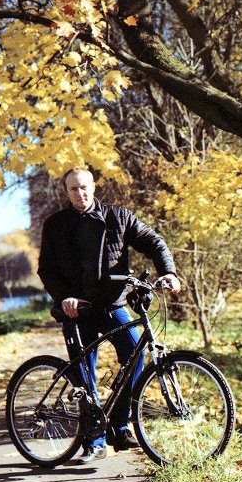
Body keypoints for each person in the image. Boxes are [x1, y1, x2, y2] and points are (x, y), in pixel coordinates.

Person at [37, 166, 181, 463]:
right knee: (85, 375)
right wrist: (64, 297)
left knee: (135, 352)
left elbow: (153, 242)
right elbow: (46, 269)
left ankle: (119, 423)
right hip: (76, 310)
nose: (81, 193)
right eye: (74, 189)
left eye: (85, 186)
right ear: (66, 192)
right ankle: (95, 441)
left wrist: (168, 272)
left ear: (94, 186)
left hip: (111, 305)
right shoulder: (56, 225)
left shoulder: (119, 217)